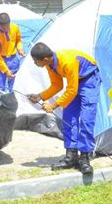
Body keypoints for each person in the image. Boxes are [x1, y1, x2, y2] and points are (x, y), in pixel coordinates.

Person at [28, 42, 100, 175]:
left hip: (89, 80)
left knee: (86, 119)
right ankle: (71, 156)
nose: (35, 63)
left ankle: (84, 157)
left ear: (44, 59)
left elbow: (72, 90)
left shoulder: (67, 61)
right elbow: (57, 85)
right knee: (69, 117)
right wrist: (40, 96)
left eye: (35, 61)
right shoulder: (50, 65)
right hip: (76, 81)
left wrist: (53, 105)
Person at [0, 13, 25, 91]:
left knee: (14, 86)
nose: (5, 29)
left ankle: (14, 102)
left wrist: (20, 49)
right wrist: (6, 70)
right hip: (1, 61)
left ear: (9, 23)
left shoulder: (15, 27)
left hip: (14, 59)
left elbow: (18, 40)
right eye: (3, 27)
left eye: (7, 26)